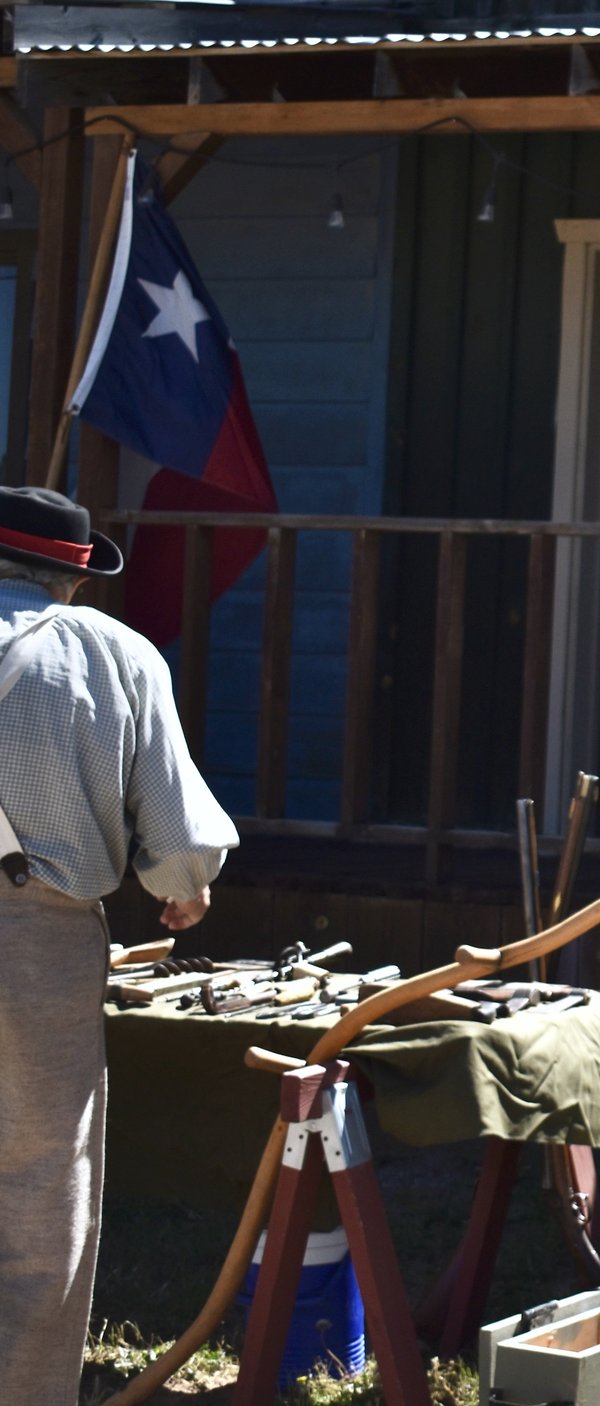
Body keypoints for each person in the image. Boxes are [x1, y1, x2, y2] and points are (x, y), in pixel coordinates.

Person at [0, 487, 236, 1398]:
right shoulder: (113, 653)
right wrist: (183, 891)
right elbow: (178, 846)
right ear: (71, 577)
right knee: (35, 1196)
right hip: (34, 938)